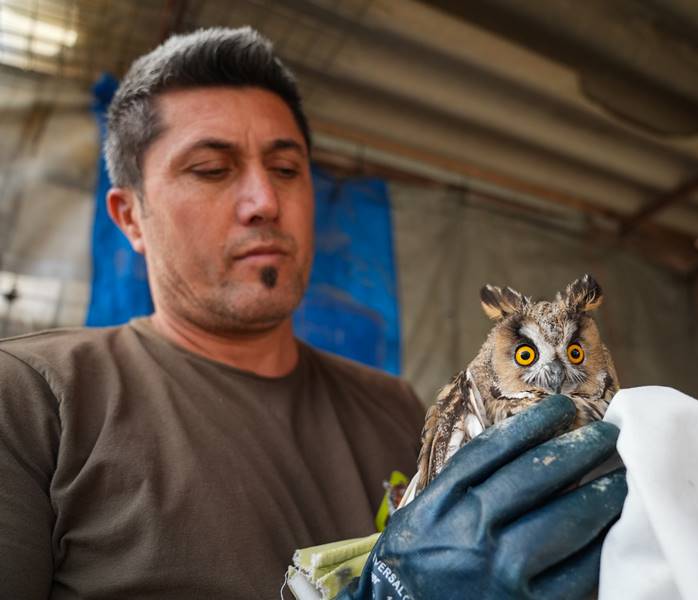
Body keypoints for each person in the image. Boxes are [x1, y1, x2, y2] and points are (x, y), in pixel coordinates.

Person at [0, 27, 625, 600]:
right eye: (212, 169)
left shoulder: (397, 407)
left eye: (287, 168)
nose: (265, 200)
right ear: (129, 216)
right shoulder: (34, 398)